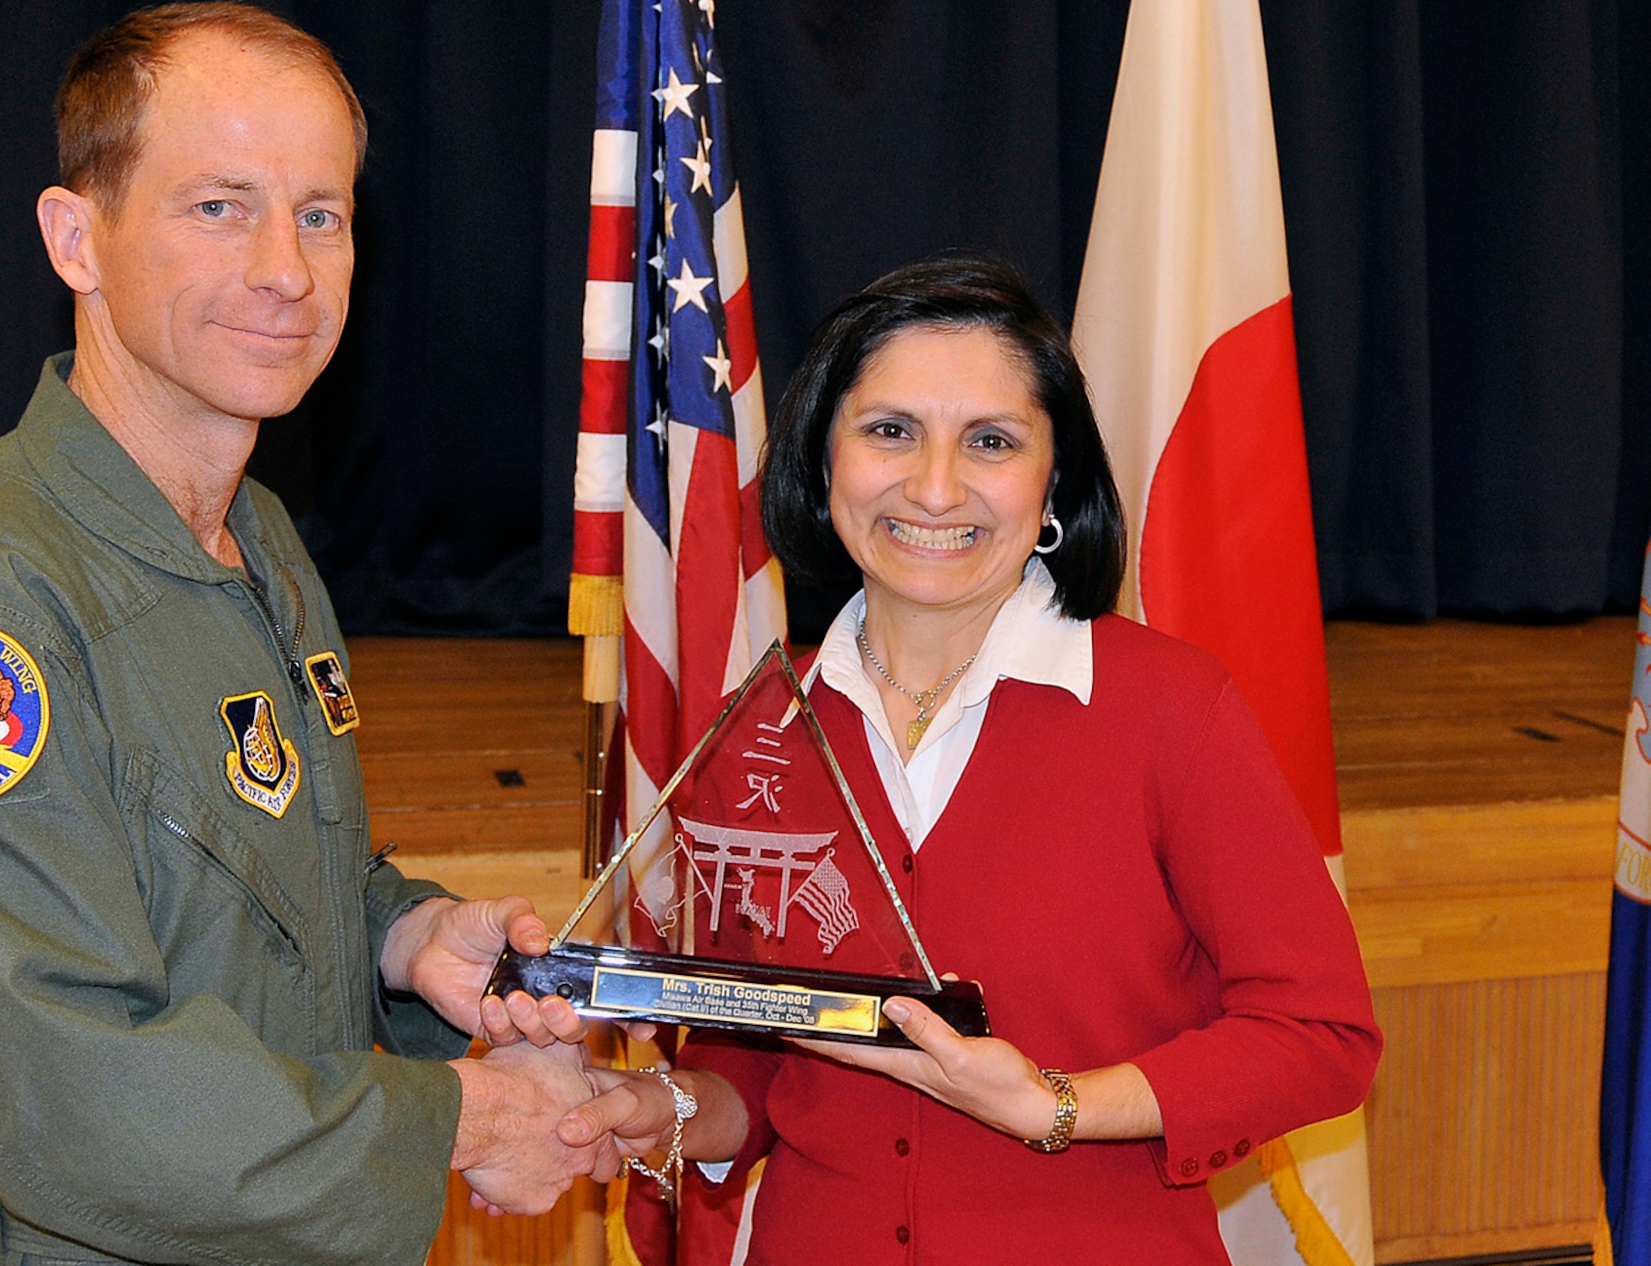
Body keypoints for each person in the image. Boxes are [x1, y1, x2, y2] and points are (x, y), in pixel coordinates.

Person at [0, 3, 607, 1266]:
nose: (285, 269)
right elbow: (68, 1095)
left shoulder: (256, 534)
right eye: (218, 206)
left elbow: (232, 878)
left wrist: (400, 940)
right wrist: (458, 1115)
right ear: (77, 238)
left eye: (318, 214)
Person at [558, 257, 1383, 1262]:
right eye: (889, 431)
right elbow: (767, 1066)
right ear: (823, 464)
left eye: (988, 441)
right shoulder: (763, 722)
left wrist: (1055, 1105)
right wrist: (662, 1104)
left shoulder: (1170, 708)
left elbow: (1319, 1037)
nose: (934, 485)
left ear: (1052, 484)